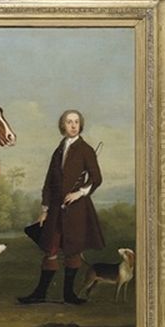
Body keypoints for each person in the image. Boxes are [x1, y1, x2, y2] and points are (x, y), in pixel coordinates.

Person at [18, 110, 105, 305]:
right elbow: (49, 182)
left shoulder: (86, 149)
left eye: (76, 122)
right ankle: (39, 294)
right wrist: (45, 210)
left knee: (72, 251)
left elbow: (96, 178)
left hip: (77, 209)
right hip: (56, 209)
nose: (73, 125)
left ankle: (69, 295)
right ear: (62, 126)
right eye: (69, 122)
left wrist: (79, 193)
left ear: (80, 125)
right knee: (51, 248)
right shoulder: (58, 150)